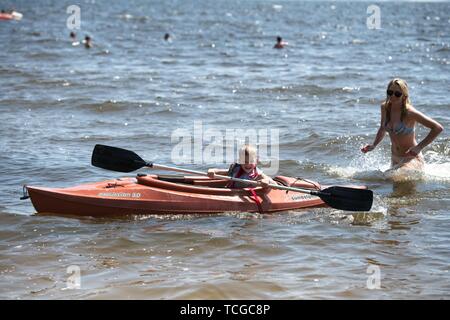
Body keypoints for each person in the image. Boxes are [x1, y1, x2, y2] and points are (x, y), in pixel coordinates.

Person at [361, 78, 443, 171]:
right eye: (390, 92)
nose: (393, 96)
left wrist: (418, 147)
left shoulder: (410, 112)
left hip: (411, 159)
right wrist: (374, 145)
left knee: (388, 177)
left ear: (404, 96)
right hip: (395, 157)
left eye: (397, 94)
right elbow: (382, 128)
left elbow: (437, 128)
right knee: (390, 180)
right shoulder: (385, 107)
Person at [207, 144, 275, 188]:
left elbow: (271, 181)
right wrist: (212, 171)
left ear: (256, 161)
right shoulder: (235, 169)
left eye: (251, 161)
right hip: (230, 192)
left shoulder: (257, 174)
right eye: (244, 162)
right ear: (240, 161)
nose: (247, 164)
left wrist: (266, 181)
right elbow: (221, 171)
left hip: (245, 194)